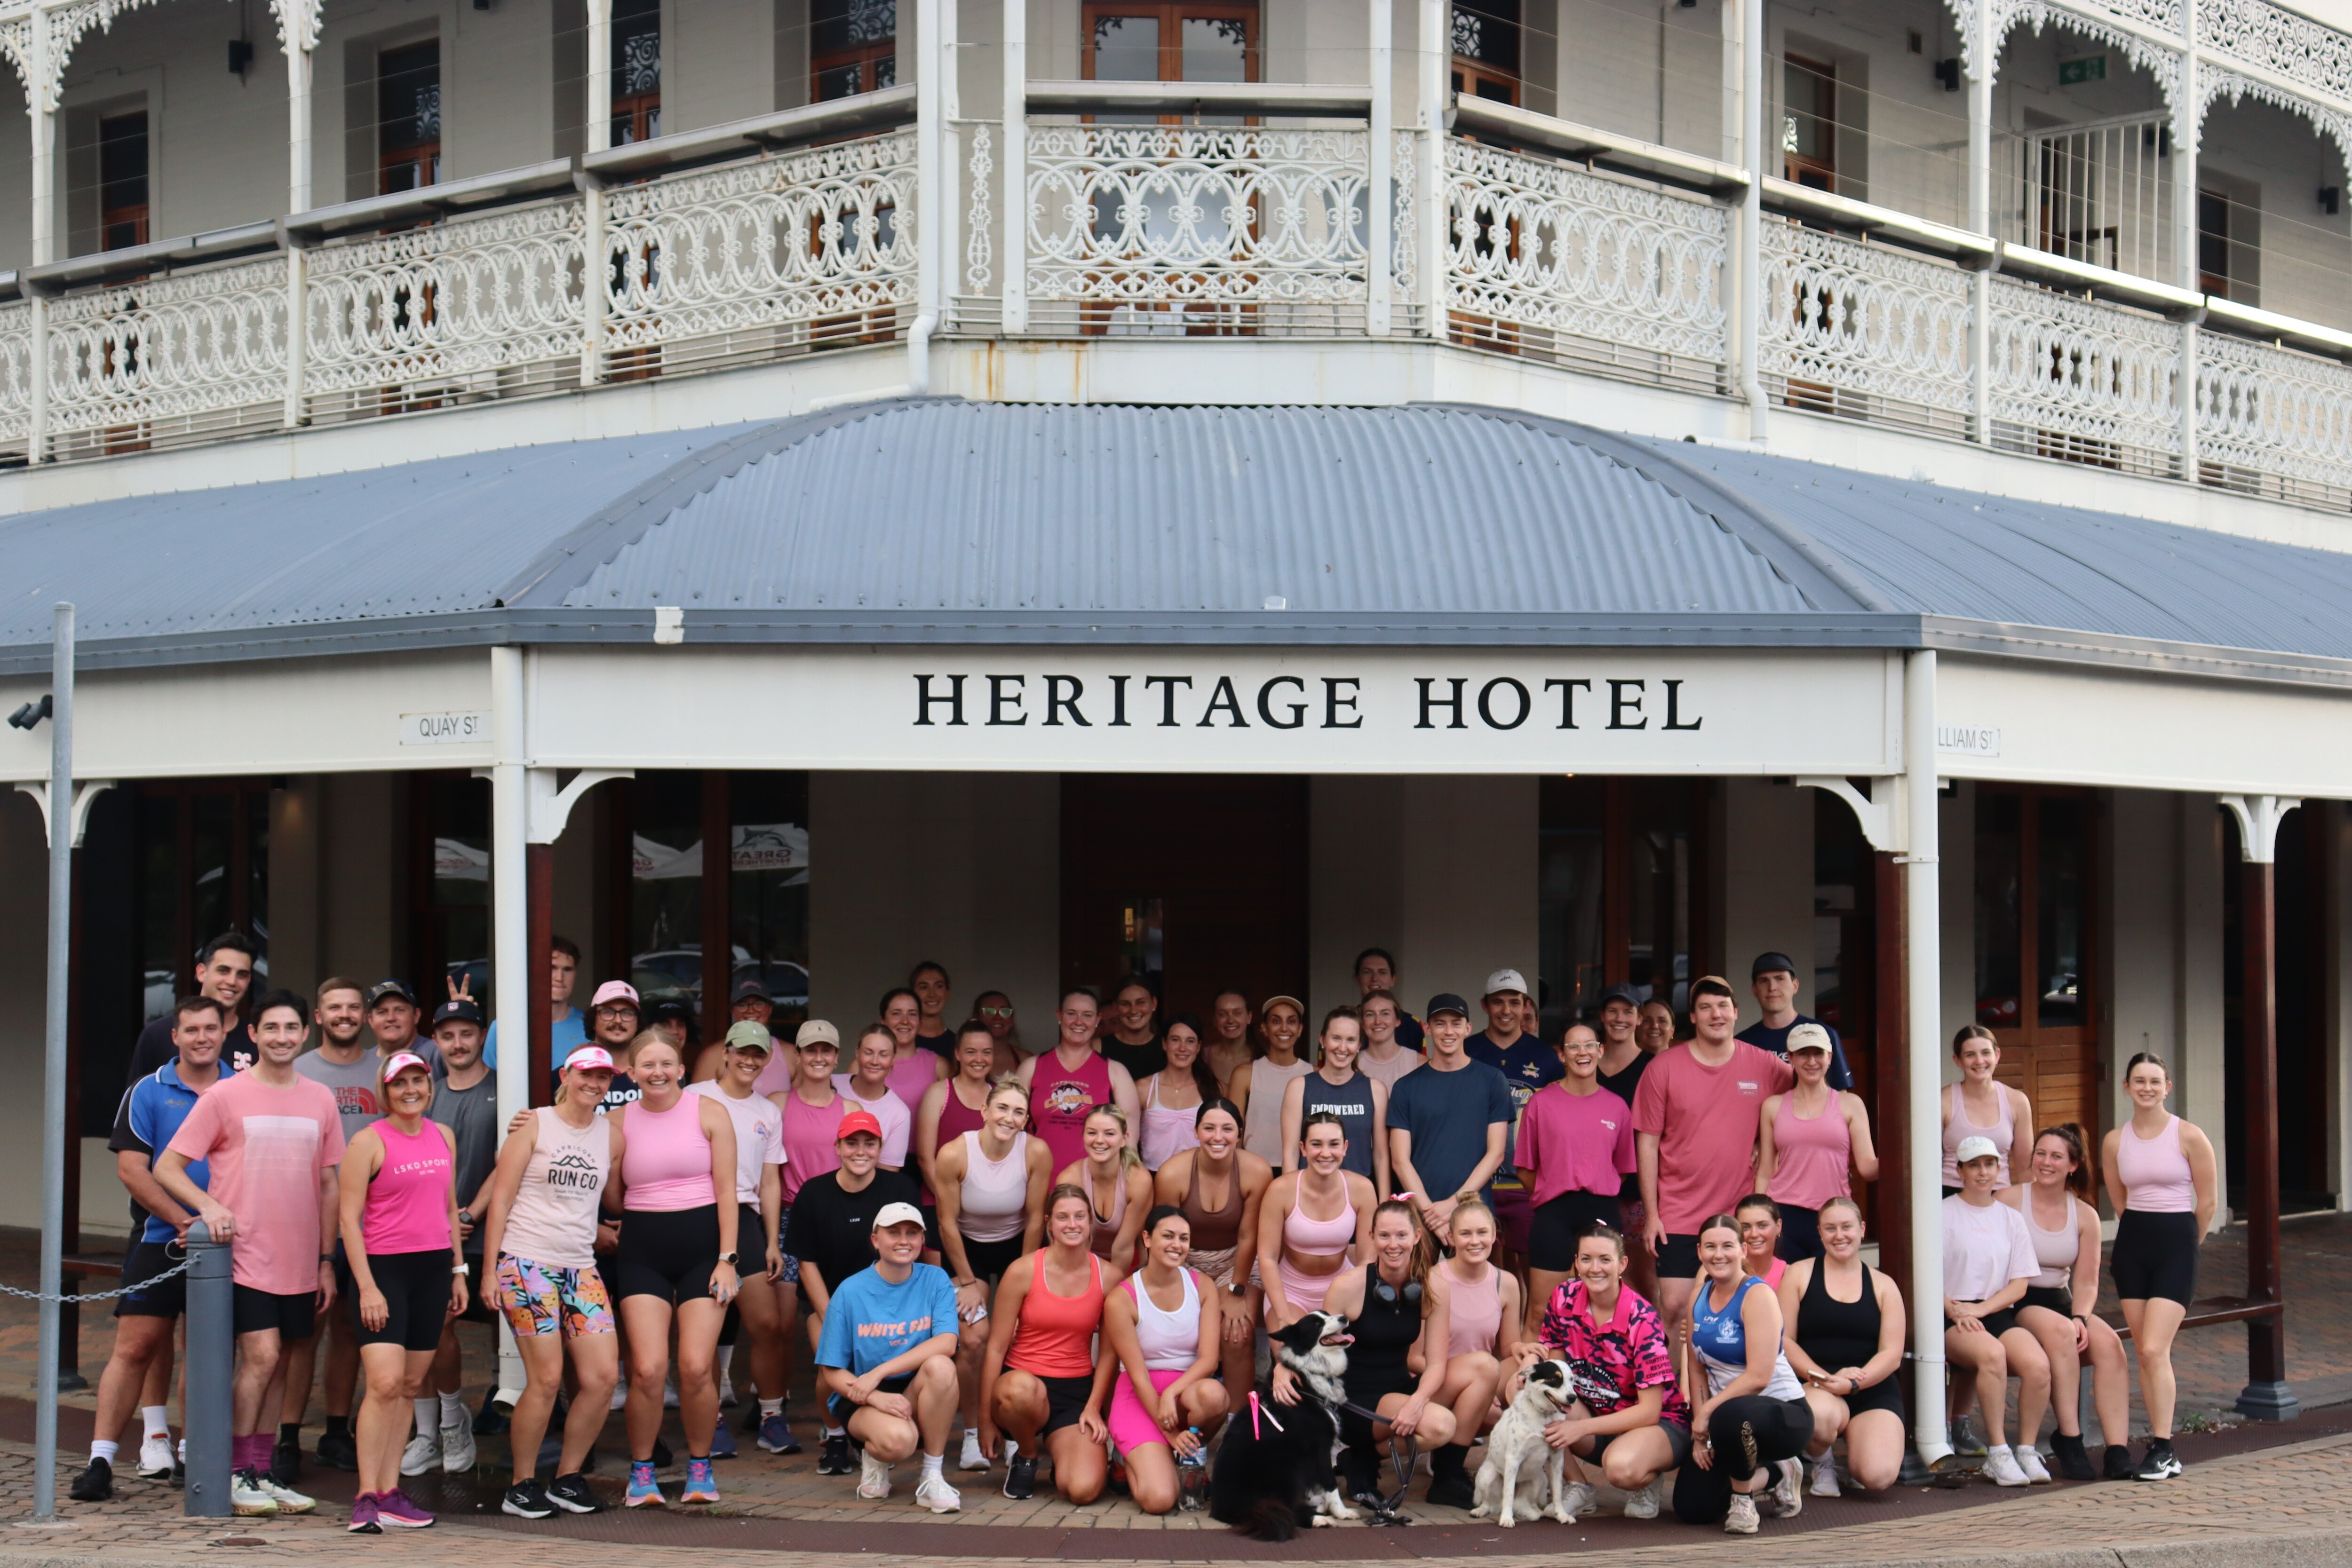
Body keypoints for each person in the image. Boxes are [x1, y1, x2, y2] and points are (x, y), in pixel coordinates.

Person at [156, 989, 342, 1519]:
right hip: (244, 1255)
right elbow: (168, 1167)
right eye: (272, 1028)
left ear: (305, 1034)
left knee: (282, 1362)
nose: (282, 1037)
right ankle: (233, 1471)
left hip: (302, 1258)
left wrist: (326, 1259)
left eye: (292, 1028)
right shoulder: (225, 1095)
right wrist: (209, 1206)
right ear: (254, 1035)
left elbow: (329, 1185)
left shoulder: (320, 1099)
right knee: (260, 1358)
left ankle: (260, 1470)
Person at [73, 997, 232, 1503]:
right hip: (160, 1242)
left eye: (211, 1028)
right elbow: (131, 1169)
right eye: (192, 1029)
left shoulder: (241, 1090)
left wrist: (213, 1225)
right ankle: (101, 1459)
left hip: (227, 1245)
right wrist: (186, 1220)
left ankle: (192, 1453)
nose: (202, 1037)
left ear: (224, 1033)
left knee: (206, 1355)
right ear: (176, 1036)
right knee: (135, 1347)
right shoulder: (147, 1090)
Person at [479, 1046, 622, 1520]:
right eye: (587, 1074)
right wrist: (489, 1271)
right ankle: (520, 1485)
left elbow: (614, 1198)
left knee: (602, 1377)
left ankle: (566, 1477)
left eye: (603, 1077)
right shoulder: (534, 1124)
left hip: (580, 1267)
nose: (595, 1084)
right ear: (566, 1074)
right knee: (545, 1378)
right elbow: (500, 1199)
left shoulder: (611, 1135)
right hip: (526, 1263)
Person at [607, 1031, 740, 1507]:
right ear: (631, 1071)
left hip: (705, 1252)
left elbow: (728, 1192)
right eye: (647, 1065)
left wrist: (728, 1260)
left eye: (666, 1063)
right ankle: (642, 1471)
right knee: (645, 1369)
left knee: (696, 1366)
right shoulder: (616, 1121)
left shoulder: (709, 1112)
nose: (657, 1072)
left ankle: (700, 1468)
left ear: (682, 1068)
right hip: (642, 1250)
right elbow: (609, 1194)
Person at [337, 1052, 465, 1533]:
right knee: (385, 1383)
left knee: (411, 1386)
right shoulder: (367, 1142)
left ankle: (391, 1492)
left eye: (418, 1080)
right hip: (384, 1272)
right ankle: (366, 1495)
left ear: (429, 1086)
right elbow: (348, 1219)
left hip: (433, 1270)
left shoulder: (443, 1135)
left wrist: (458, 1270)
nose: (411, 1089)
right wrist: (367, 1286)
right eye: (400, 1083)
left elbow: (449, 1207)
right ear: (385, 1091)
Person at [1632, 975, 1793, 1336]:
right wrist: (1652, 1213)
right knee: (1674, 1309)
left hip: (1740, 1215)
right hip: (1678, 1212)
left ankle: (1737, 1392)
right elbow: (1647, 1143)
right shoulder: (1663, 1068)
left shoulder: (1765, 1065)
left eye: (1723, 1007)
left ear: (1736, 1013)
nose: (1715, 1015)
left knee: (1742, 1309)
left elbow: (1807, 1100)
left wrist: (1767, 1142)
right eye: (1705, 1008)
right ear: (1693, 1017)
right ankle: (1674, 1393)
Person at [785, 1109, 932, 1478]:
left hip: (895, 1304)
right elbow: (807, 1263)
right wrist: (836, 1317)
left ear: (881, 1148)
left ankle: (892, 1424)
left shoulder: (900, 1189)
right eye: (852, 1143)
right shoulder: (814, 1193)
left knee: (927, 1364)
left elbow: (918, 1247)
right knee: (829, 1365)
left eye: (870, 1143)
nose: (860, 1151)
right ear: (837, 1146)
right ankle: (835, 1436)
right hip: (831, 1302)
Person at [2101, 1053, 2217, 1483]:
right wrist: (2139, 1239)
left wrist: (2187, 1247)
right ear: (2127, 1087)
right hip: (2133, 1246)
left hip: (2177, 1246)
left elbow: (2207, 1203)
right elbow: (2119, 1201)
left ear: (2168, 1087)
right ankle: (2157, 1446)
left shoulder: (2189, 1135)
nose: (2146, 1088)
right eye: (2138, 1081)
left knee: (2153, 1349)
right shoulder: (2115, 1141)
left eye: (2155, 1081)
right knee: (2146, 1353)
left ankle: (2166, 1449)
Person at [1525, 1224, 1692, 1521]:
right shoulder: (1563, 1298)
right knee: (1528, 1393)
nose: (1595, 1268)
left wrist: (1580, 1429)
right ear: (1576, 1263)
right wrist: (1533, 1372)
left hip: (1658, 1424)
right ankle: (1578, 1484)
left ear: (1622, 1265)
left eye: (1605, 1259)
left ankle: (1647, 1477)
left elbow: (1650, 1412)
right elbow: (1559, 1375)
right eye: (1586, 1259)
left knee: (1621, 1469)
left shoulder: (1643, 1319)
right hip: (1597, 1414)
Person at [282, 978, 378, 1482]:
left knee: (348, 1329)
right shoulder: (298, 1070)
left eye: (353, 1007)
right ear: (318, 1017)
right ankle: (286, 1435)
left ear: (364, 1015)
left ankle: (335, 1431)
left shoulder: (385, 1070)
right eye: (334, 1008)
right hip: (308, 1222)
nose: (345, 1015)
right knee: (303, 1332)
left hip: (367, 1227)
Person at [2001, 1124, 2132, 1482]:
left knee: (2110, 1345)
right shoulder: (2010, 1200)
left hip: (2062, 1301)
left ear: (2072, 1165)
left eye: (2057, 1156)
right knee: (2062, 1334)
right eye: (2041, 1154)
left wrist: (2081, 1317)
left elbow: (2088, 1281)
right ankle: (2070, 1439)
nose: (2046, 1162)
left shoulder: (2085, 1214)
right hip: (2020, 1300)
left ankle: (2117, 1450)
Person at [814, 1202, 963, 1513]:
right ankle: (875, 1455)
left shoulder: (936, 1280)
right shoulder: (850, 1291)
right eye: (893, 1233)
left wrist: (880, 1372)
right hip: (862, 1397)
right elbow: (832, 1371)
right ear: (875, 1240)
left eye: (912, 1233)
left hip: (910, 1386)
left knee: (941, 1366)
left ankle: (932, 1476)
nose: (904, 1241)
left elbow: (947, 1342)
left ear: (923, 1241)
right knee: (899, 1443)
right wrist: (875, 1397)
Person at [1312, 1200, 1464, 1505]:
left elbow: (1436, 1364)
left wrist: (1417, 1404)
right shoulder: (1348, 1286)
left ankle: (1448, 1476)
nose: (1393, 1245)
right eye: (1384, 1236)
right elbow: (1315, 1352)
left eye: (1401, 1236)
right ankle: (1359, 1454)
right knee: (1441, 1426)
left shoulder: (1434, 1286)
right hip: (1356, 1400)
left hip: (1400, 1390)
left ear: (1417, 1237)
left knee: (1484, 1368)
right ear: (1371, 1237)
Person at [933, 1077, 1050, 1471]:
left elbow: (1036, 1219)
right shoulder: (953, 1154)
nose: (1009, 1118)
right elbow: (947, 1224)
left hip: (1018, 1246)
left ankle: (1018, 1431)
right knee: (974, 1338)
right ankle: (971, 1433)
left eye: (1019, 1111)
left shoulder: (1035, 1151)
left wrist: (1026, 1280)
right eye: (1002, 1108)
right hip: (967, 1250)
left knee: (1023, 1331)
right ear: (984, 1111)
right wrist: (967, 1282)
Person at [689, 1021, 791, 1461]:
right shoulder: (692, 1096)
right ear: (725, 1053)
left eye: (758, 1054)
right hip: (698, 1216)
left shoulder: (768, 1112)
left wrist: (772, 1240)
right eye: (742, 1052)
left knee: (766, 1324)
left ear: (767, 1059)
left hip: (747, 1218)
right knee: (706, 1327)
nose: (749, 1061)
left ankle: (771, 1415)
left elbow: (771, 1181)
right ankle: (708, 1418)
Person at [403, 999, 497, 1481]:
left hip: (488, 1234)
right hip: (431, 1235)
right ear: (435, 1041)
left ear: (482, 1036)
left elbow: (509, 1165)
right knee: (429, 1330)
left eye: (466, 1033)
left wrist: (471, 1212)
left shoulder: (505, 1088)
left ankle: (459, 1421)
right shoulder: (426, 1094)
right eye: (447, 1036)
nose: (458, 1044)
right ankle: (436, 1428)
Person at [1674, 1214, 1813, 1533]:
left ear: (1743, 1250)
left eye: (1727, 1246)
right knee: (1693, 1508)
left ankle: (1744, 1504)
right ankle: (1779, 1474)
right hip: (1729, 1422)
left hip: (1785, 1415)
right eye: (1710, 1247)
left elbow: (1759, 1377)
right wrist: (1700, 1435)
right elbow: (1696, 1369)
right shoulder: (1698, 1297)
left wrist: (1707, 1412)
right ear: (1699, 1252)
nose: (1718, 1255)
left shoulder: (1757, 1295)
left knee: (1729, 1415)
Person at [981, 1184, 1111, 1503]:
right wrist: (984, 1420)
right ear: (1049, 1223)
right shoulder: (1023, 1270)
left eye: (1080, 1217)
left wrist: (1094, 1406)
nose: (1072, 1225)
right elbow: (996, 1347)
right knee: (1022, 1391)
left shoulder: (1109, 1276)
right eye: (1063, 1217)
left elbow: (1110, 1355)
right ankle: (1026, 1455)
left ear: (1090, 1222)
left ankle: (1065, 1461)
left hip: (1074, 1390)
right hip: (1020, 1386)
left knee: (1082, 1490)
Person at [1095, 1204, 1229, 1514]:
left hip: (1184, 1394)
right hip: (1139, 1398)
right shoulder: (1123, 1298)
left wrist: (1171, 1392)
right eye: (1167, 1236)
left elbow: (1209, 1361)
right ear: (1147, 1239)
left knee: (1214, 1395)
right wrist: (1168, 1432)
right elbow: (1138, 1376)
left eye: (1184, 1238)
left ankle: (1186, 1457)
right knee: (1159, 1500)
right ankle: (1126, 1459)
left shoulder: (1203, 1286)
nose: (1176, 1245)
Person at [1777, 1196, 1906, 1497]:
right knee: (1820, 1417)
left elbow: (1891, 1354)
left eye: (1847, 1227)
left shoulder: (1884, 1285)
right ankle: (1823, 1463)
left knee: (1878, 1476)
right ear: (1820, 1233)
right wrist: (1825, 1379)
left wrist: (1851, 1383)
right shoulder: (1799, 1274)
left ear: (1862, 1230)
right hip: (1816, 1384)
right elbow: (1785, 1341)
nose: (1839, 1236)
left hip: (1870, 1386)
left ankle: (1860, 1454)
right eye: (1830, 1228)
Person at [1943, 1134, 2051, 1487]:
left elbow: (2019, 1286)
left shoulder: (2011, 1219)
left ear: (1999, 1168)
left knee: (2038, 1365)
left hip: (1995, 1311)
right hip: (1952, 1312)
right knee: (1993, 1355)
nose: (1983, 1172)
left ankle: (2026, 1450)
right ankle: (1998, 1453)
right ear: (1959, 1171)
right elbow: (1924, 1278)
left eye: (1989, 1164)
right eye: (1974, 1165)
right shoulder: (1942, 1214)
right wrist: (1958, 1311)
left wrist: (1983, 1310)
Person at [1516, 1023, 1635, 1339]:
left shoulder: (1617, 1107)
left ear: (1600, 1050)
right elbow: (1526, 1169)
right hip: (1554, 1213)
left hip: (1601, 1212)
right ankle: (1528, 1386)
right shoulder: (1541, 1103)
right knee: (1541, 1311)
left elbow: (1621, 1169)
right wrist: (1554, 1192)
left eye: (1589, 1046)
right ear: (1561, 1055)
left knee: (1603, 1309)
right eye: (1573, 1047)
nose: (1582, 1053)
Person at [1152, 1099, 1269, 1393]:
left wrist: (1236, 1291)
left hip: (1237, 1261)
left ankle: (1238, 1421)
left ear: (1240, 1134)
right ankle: (1193, 1411)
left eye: (1227, 1129)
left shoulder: (1257, 1171)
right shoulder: (1172, 1173)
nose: (1218, 1137)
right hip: (1186, 1261)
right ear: (1196, 1132)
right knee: (1190, 1332)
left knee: (1237, 1332)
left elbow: (1249, 1238)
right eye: (1209, 1128)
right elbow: (1166, 1239)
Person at [1386, 993, 1513, 1247]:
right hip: (1421, 1216)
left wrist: (1455, 1203)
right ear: (1427, 1029)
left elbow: (1496, 1154)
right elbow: (1400, 1161)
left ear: (1468, 1028)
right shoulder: (1406, 1087)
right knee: (1417, 1287)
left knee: (1473, 1286)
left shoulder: (1492, 1080)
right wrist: (1431, 1213)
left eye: (1456, 1023)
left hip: (1473, 1215)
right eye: (1440, 1023)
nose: (1448, 1031)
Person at [1756, 1024, 1877, 1261]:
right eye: (1803, 1053)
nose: (1812, 1061)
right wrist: (1758, 1217)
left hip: (1833, 1216)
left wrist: (1905, 1152)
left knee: (1829, 1293)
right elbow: (1766, 1170)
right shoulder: (1773, 1106)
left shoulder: (1850, 1104)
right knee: (1785, 1293)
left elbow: (1868, 1168)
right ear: (1790, 1057)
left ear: (1830, 1057)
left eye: (1818, 1053)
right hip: (1784, 1214)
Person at [1427, 1196, 1518, 1505]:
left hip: (1480, 1380)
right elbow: (1413, 1357)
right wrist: (1469, 1382)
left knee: (1526, 1367)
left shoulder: (1505, 1283)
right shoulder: (1433, 1279)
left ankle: (1528, 1470)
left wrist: (1528, 1354)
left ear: (1495, 1235)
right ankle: (1447, 1475)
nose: (1475, 1241)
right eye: (1465, 1234)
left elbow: (1508, 1349)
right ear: (1450, 1238)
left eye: (1483, 1233)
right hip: (1434, 1382)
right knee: (1484, 1370)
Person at [1464, 969, 1556, 1275]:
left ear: (1526, 1006)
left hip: (1526, 1185)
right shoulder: (1467, 1051)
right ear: (1485, 1005)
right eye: (1498, 1002)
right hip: (1477, 1185)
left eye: (1514, 1002)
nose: (1506, 1010)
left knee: (1534, 1274)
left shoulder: (1546, 1057)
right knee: (1484, 1275)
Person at [1256, 1112, 1375, 1325]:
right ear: (1303, 1148)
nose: (1326, 1153)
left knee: (1349, 1354)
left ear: (1345, 1148)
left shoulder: (1362, 1189)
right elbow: (1267, 1258)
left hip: (1343, 1289)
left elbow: (1368, 1259)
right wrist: (1284, 1316)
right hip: (1291, 1292)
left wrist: (1354, 1297)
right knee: (1294, 1354)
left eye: (1334, 1144)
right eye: (1317, 1144)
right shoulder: (1280, 1190)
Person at [1016, 989, 1141, 1174]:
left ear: (1098, 1020)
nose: (1079, 1022)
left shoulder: (1115, 1072)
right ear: (1059, 1015)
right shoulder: (1031, 1067)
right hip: (1037, 1180)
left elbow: (1129, 1142)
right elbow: (1010, 1127)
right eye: (1071, 1014)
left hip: (1094, 1183)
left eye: (1087, 1015)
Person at [1280, 1006, 1391, 1193]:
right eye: (1336, 1038)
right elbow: (1291, 1153)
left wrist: (1383, 1203)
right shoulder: (1299, 1087)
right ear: (1323, 1040)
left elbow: (1381, 1155)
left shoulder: (1375, 1090)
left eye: (1351, 1040)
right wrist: (1292, 1200)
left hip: (1360, 1196)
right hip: (1310, 1195)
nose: (1343, 1048)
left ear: (1359, 1045)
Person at [1595, 986, 1659, 1301]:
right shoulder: (1586, 1065)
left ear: (1640, 1018)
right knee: (1598, 1282)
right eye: (1613, 1011)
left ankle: (1655, 1349)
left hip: (1637, 1193)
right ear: (1601, 1016)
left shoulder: (1654, 1067)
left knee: (1644, 1283)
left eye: (1628, 1012)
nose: (1619, 1019)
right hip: (1592, 1190)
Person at [127, 931, 257, 1079]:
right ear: (201, 972)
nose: (232, 981)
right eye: (223, 971)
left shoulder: (256, 1040)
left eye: (242, 974)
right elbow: (137, 1095)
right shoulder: (157, 1035)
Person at [1056, 1104, 1152, 1274]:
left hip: (1127, 1262)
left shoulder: (1138, 1180)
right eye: (1092, 1133)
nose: (1099, 1140)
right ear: (1083, 1136)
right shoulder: (1070, 1179)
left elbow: (1123, 1247)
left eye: (1109, 1134)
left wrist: (1110, 1294)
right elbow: (1067, 1243)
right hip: (1079, 1260)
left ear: (1125, 1139)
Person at [1736, 952, 1853, 1091]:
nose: (1772, 987)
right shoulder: (1741, 1044)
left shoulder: (1823, 1034)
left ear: (1795, 986)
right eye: (1764, 981)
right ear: (1755, 990)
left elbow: (1841, 1096)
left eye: (1780, 979)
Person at [1942, 1024, 2034, 1195]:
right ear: (1958, 1061)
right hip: (1952, 1194)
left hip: (2000, 1195)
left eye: (1986, 1053)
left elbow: (2026, 1171)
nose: (1979, 1061)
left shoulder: (2017, 1101)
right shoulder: (1944, 1101)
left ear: (1997, 1055)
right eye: (1970, 1055)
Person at [916, 1022, 1000, 1197]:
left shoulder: (1001, 1096)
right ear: (957, 1054)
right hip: (940, 1202)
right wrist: (950, 1203)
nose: (979, 1059)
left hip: (989, 1205)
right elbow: (925, 1159)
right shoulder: (938, 1093)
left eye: (987, 1052)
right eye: (971, 1052)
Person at [484, 934, 587, 1071]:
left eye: (567, 970)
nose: (559, 978)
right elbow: (488, 1085)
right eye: (552, 968)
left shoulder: (590, 1026)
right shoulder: (503, 1028)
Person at [1231, 995, 1311, 1168]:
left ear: (1300, 1029)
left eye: (1291, 1022)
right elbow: (1234, 1130)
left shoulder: (1314, 1074)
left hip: (1303, 1169)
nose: (1284, 1028)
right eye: (1276, 1021)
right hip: (1254, 1168)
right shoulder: (1245, 1074)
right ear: (1264, 1028)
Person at [1137, 1014, 1216, 1171]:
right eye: (1175, 1040)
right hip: (1153, 1176)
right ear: (1165, 1044)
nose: (1182, 1048)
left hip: (1200, 1177)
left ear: (1198, 1047)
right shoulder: (1143, 1088)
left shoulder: (1213, 1088)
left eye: (1190, 1041)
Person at [834, 1024, 916, 1171]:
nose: (875, 1061)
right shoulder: (832, 1084)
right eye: (868, 1052)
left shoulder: (899, 1113)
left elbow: (888, 1175)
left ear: (893, 1059)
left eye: (884, 1055)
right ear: (857, 1053)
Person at [878, 989, 949, 1107]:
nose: (905, 1021)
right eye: (896, 1013)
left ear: (920, 1022)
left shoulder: (938, 1065)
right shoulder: (863, 1065)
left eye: (912, 1014)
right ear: (883, 1021)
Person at [1353, 949, 1425, 1052]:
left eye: (1382, 972)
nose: (1375, 978)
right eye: (1367, 972)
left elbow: (1422, 1066)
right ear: (1357, 979)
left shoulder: (1412, 1025)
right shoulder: (1341, 1022)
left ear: (1393, 979)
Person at [1356, 990, 1422, 1090]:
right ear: (1363, 1023)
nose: (1378, 1021)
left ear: (1398, 1021)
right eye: (1370, 1015)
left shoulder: (1420, 1063)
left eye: (1385, 1014)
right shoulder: (1351, 1064)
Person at [1104, 981, 1168, 1082]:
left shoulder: (1168, 1046)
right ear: (1116, 1007)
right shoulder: (1098, 1047)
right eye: (1125, 1004)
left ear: (1154, 1004)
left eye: (1141, 1002)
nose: (1133, 1011)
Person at [1202, 990, 1255, 1097]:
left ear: (1249, 1017)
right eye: (1222, 1015)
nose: (1230, 1020)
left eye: (1237, 1013)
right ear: (1215, 1020)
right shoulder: (1202, 1058)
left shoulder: (1261, 1059)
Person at [1733, 1196, 1789, 1290]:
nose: (1754, 1234)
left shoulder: (1790, 1274)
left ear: (1778, 1227)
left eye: (1763, 1226)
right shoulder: (1718, 1270)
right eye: (1745, 1228)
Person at [910, 962, 958, 1059]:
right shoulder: (903, 1041)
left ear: (947, 992)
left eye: (939, 986)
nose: (932, 994)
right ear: (913, 994)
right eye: (924, 987)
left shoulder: (958, 1043)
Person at [972, 991, 1026, 1077]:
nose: (998, 1017)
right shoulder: (965, 1058)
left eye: (1005, 1012)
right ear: (977, 1018)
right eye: (989, 1011)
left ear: (1012, 1020)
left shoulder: (1025, 1059)